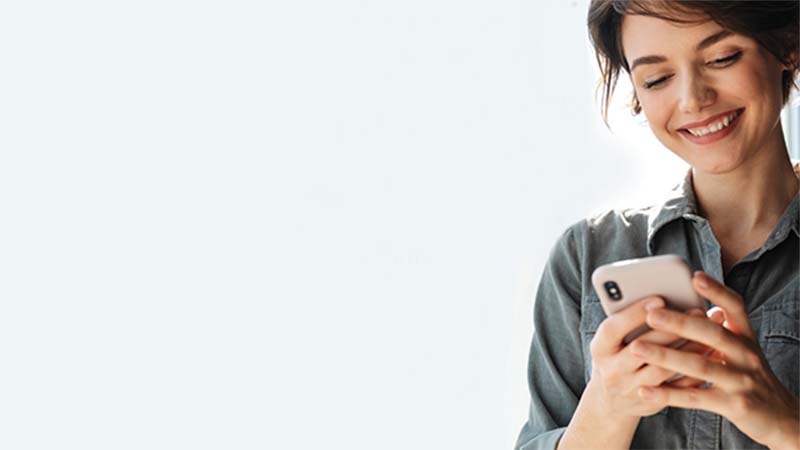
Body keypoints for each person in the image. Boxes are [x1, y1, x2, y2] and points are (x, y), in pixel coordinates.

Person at [514, 1, 799, 449]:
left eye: (722, 58)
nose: (692, 100)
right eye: (657, 79)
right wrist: (607, 407)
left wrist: (787, 426)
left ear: (786, 45)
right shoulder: (587, 255)